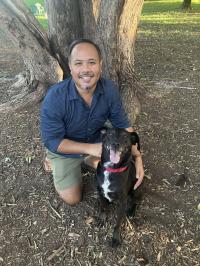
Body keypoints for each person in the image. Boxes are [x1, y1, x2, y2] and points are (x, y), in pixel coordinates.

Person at [40, 38, 144, 206]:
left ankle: (88, 159)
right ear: (70, 66)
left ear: (100, 65)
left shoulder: (109, 89)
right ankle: (52, 159)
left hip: (95, 139)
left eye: (92, 62)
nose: (86, 70)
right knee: (72, 199)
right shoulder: (55, 97)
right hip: (65, 148)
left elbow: (123, 125)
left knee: (120, 164)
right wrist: (90, 148)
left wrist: (138, 157)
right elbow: (52, 140)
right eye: (79, 63)